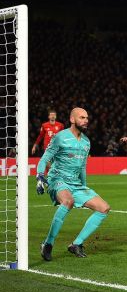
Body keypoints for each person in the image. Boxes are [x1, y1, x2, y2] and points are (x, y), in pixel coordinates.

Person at [37, 108, 111, 260]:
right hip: (57, 179)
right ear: (72, 119)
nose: (86, 120)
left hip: (76, 184)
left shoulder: (86, 141)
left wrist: (84, 189)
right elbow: (45, 159)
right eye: (82, 117)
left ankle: (76, 244)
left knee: (104, 208)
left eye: (87, 118)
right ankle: (48, 243)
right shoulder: (60, 137)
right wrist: (40, 176)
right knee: (68, 201)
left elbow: (82, 167)